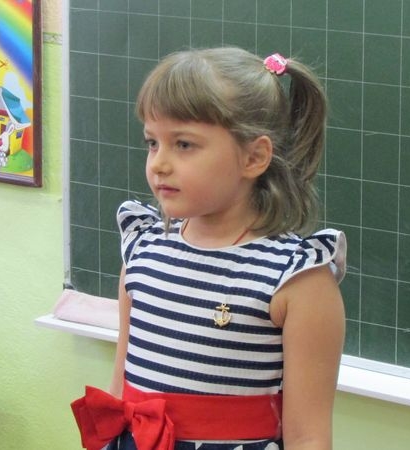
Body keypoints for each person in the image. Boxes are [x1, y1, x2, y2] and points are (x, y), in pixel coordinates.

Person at [72, 47, 347, 450]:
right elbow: (120, 394)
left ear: (254, 157)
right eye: (152, 143)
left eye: (183, 144)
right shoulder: (142, 252)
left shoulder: (297, 278)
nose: (159, 164)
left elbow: (308, 437)